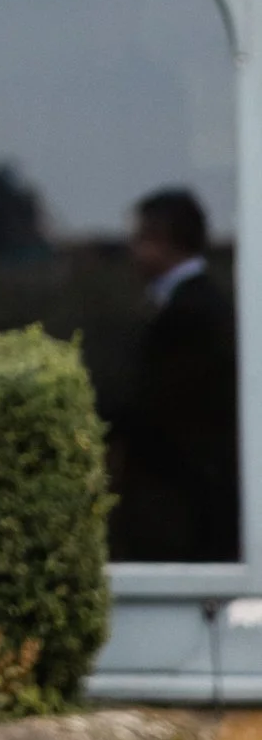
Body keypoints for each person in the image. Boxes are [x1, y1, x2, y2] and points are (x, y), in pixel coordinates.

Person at [108, 187, 242, 566]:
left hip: (182, 494)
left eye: (140, 239)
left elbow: (161, 401)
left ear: (162, 241)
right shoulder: (186, 304)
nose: (132, 252)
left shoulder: (190, 313)